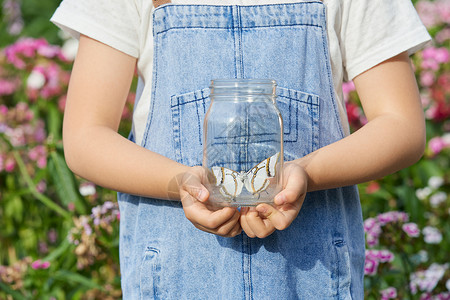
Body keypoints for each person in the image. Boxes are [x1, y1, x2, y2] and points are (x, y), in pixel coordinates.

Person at [51, 0, 430, 298]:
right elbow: (86, 137)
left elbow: (401, 126)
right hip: (177, 273)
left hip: (309, 279)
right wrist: (180, 182)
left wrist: (307, 173)